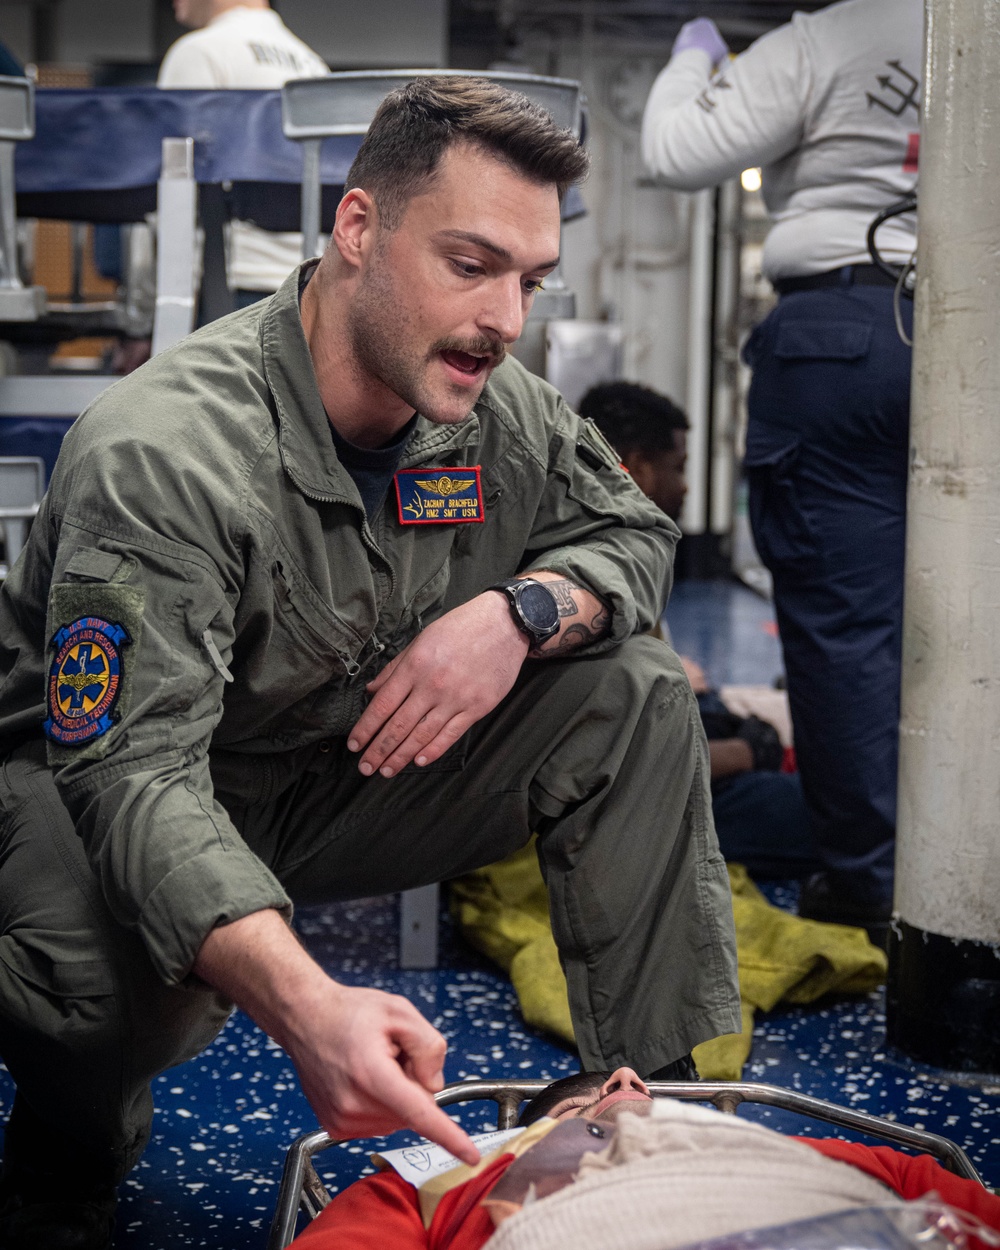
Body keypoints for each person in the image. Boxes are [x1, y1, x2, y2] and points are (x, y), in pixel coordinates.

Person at [0, 77, 741, 1250]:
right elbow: (132, 773)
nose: (505, 318)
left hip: (331, 772)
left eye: (530, 282)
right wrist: (307, 1006)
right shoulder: (171, 449)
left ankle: (639, 1113)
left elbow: (634, 531)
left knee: (636, 693)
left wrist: (517, 610)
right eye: (470, 263)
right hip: (102, 786)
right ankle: (65, 1157)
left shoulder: (499, 413)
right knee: (92, 997)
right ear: (358, 230)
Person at [640, 0, 921, 937]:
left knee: (848, 632)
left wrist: (694, 60)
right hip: (974, 331)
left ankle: (870, 887)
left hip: (844, 329)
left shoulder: (828, 39)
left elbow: (676, 153)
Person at [288, 1068, 1000, 1250]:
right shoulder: (446, 1178)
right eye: (578, 1111)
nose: (629, 1090)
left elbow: (923, 1187)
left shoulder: (764, 1152)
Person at [579, 381, 818, 880]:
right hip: (647, 803)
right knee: (845, 817)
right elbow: (608, 766)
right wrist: (745, 752)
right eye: (679, 467)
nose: (686, 486)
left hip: (671, 750)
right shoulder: (595, 580)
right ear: (638, 466)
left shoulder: (624, 543)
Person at [158, 0, 329, 304]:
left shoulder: (198, 53)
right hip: (309, 287)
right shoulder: (314, 65)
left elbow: (171, 201)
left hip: (223, 291)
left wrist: (148, 315)